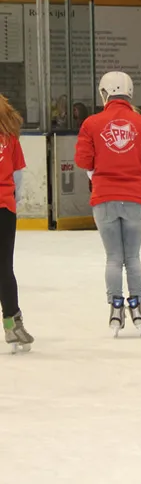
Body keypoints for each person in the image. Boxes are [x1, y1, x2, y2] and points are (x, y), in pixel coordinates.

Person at [75, 71, 141, 338]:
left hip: (104, 198)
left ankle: (115, 308)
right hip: (136, 198)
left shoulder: (91, 123)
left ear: (105, 93)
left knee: (113, 258)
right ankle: (138, 307)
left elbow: (83, 161)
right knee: (132, 257)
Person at [0, 95, 33, 352]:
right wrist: (14, 200)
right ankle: (12, 322)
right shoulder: (10, 139)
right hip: (4, 208)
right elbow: (17, 176)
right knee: (4, 267)